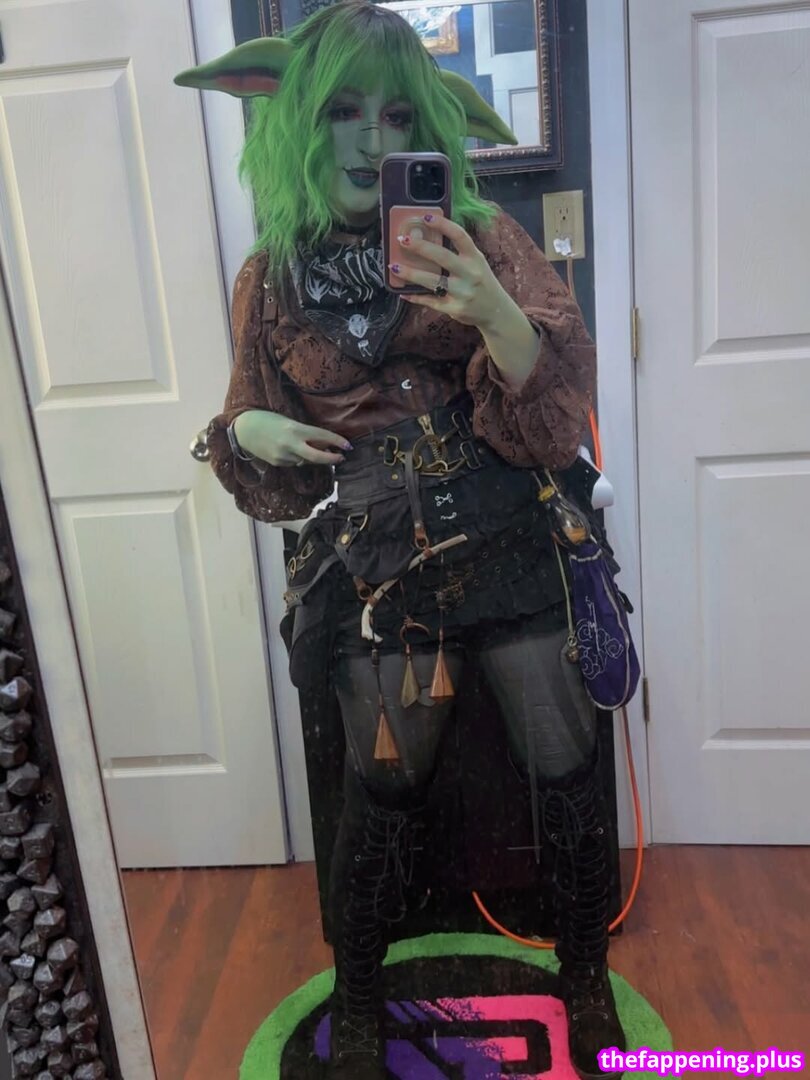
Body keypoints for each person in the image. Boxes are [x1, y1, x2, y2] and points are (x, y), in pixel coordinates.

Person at [176, 4, 626, 1077]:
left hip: (510, 533)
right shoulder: (270, 277)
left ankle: (585, 977)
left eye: (394, 116)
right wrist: (245, 430)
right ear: (296, 120)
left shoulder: (483, 237)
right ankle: (361, 995)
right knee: (379, 795)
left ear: (424, 129)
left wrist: (495, 312)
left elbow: (559, 411)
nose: (369, 141)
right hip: (379, 568)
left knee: (567, 766)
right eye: (341, 111)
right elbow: (251, 426)